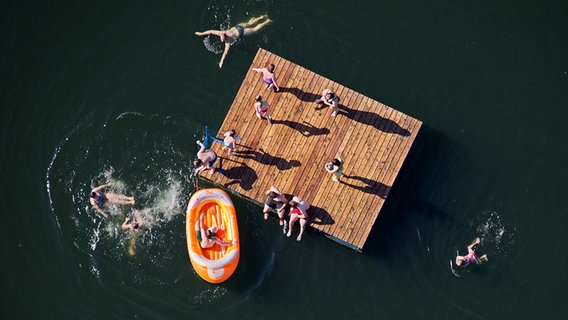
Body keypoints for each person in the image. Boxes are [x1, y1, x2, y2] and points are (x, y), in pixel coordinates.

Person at [195, 14, 272, 68]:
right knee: (249, 23)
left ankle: (266, 21)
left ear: (224, 38)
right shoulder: (222, 33)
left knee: (255, 29)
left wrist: (221, 62)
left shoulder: (227, 42)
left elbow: (225, 53)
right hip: (238, 27)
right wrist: (201, 33)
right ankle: (261, 17)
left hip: (241, 32)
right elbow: (210, 31)